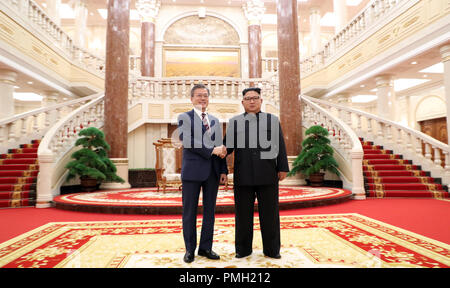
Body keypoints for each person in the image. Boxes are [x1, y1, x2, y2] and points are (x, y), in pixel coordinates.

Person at [224, 87, 289, 259]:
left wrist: (282, 167)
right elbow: (226, 148)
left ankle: (272, 250)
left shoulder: (272, 120)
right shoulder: (235, 122)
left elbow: (280, 145)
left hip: (268, 174)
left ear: (261, 100)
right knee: (242, 215)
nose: (252, 101)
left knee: (270, 215)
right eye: (248, 98)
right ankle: (243, 249)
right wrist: (222, 169)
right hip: (243, 176)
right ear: (242, 102)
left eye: (255, 98)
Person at [177, 84, 228, 263]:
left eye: (205, 96)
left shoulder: (214, 120)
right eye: (199, 95)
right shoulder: (184, 117)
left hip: (212, 173)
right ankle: (189, 250)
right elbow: (188, 141)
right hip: (192, 172)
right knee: (189, 212)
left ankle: (205, 248)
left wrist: (223, 170)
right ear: (191, 99)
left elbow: (220, 146)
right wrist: (211, 151)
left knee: (210, 212)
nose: (202, 98)